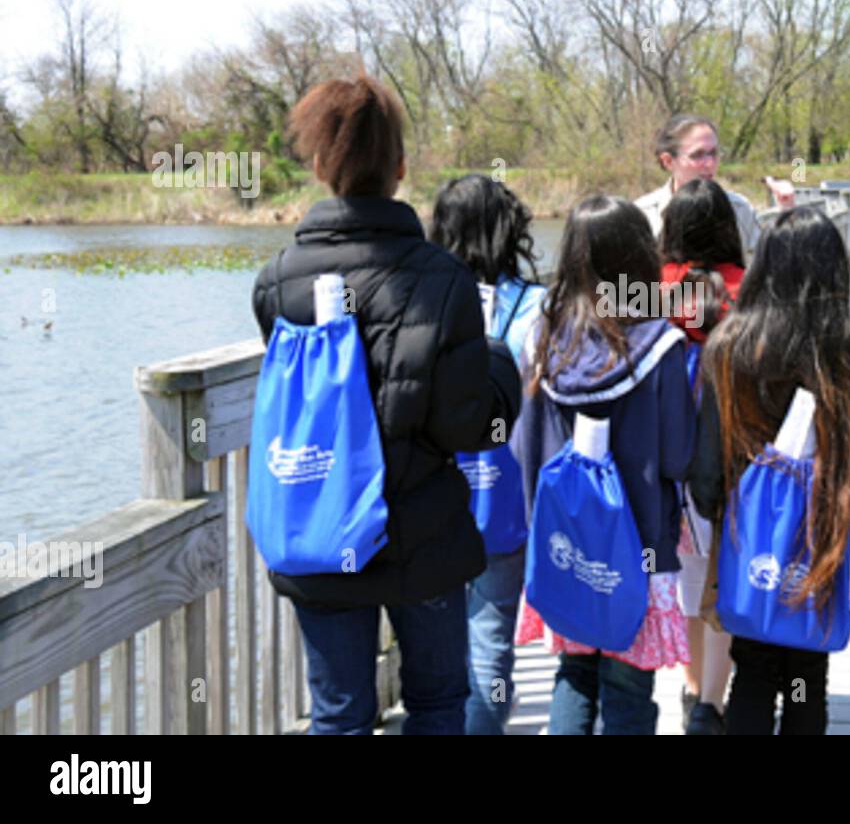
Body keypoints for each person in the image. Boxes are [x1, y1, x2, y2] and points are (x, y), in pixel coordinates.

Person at [251, 75, 521, 735]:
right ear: (400, 168)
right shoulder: (442, 278)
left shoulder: (278, 280)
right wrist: (500, 365)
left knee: (339, 713)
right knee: (436, 703)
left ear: (319, 166)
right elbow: (470, 425)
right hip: (421, 534)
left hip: (318, 528)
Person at [688, 206, 850, 735]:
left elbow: (704, 471)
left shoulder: (726, 349)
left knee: (754, 668)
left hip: (748, 535)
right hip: (821, 532)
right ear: (834, 276)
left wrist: (725, 510)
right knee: (807, 675)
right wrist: (836, 469)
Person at [512, 195, 697, 735]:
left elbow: (524, 446)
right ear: (641, 256)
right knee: (627, 686)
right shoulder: (660, 345)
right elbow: (678, 455)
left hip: (564, 544)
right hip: (637, 548)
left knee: (573, 673)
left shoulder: (542, 340)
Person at [429, 173, 547, 735]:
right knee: (492, 642)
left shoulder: (422, 302)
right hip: (507, 499)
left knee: (437, 646)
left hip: (434, 498)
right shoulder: (539, 308)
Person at [658, 178, 745, 735]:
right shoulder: (748, 287)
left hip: (671, 451)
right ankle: (715, 697)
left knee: (687, 576)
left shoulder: (654, 290)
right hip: (735, 450)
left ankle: (691, 693)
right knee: (724, 573)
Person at [636, 114, 763, 256]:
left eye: (714, 153)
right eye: (697, 155)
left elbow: (760, 271)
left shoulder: (740, 210)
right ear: (668, 161)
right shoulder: (643, 216)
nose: (709, 164)